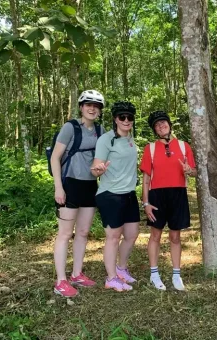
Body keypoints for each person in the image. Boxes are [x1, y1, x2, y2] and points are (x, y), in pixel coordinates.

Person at [51, 90, 105, 297]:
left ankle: (76, 274)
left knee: (82, 233)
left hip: (90, 186)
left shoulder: (100, 130)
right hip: (69, 184)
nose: (92, 108)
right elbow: (55, 158)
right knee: (65, 233)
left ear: (100, 110)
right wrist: (58, 187)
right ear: (81, 107)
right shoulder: (70, 127)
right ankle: (61, 281)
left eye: (96, 105)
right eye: (88, 104)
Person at [139, 111, 196, 291]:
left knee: (175, 236)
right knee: (155, 235)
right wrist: (146, 203)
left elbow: (194, 171)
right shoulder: (151, 148)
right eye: (157, 125)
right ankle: (154, 274)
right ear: (155, 130)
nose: (161, 126)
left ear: (170, 125)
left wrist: (190, 171)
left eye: (163, 122)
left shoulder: (183, 145)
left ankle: (176, 275)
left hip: (178, 194)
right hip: (157, 195)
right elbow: (146, 179)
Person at [91, 101, 140, 292]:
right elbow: (96, 168)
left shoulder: (130, 138)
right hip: (110, 194)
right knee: (113, 237)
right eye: (122, 117)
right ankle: (111, 278)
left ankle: (121, 269)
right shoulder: (106, 139)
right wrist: (98, 170)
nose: (126, 120)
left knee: (132, 234)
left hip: (128, 194)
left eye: (130, 117)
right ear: (115, 119)